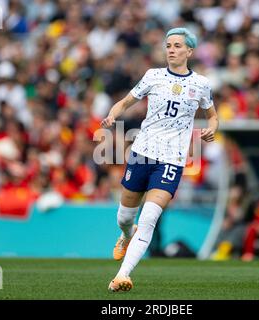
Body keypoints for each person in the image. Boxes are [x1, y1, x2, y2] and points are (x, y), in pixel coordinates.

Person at [101, 27, 218, 292]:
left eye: (177, 45)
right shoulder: (152, 76)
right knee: (124, 216)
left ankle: (122, 275)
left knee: (150, 217)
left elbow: (213, 115)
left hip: (172, 160)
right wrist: (112, 115)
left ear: (189, 51)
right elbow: (126, 101)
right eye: (168, 45)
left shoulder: (201, 84)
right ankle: (124, 235)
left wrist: (212, 128)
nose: (171, 50)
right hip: (142, 154)